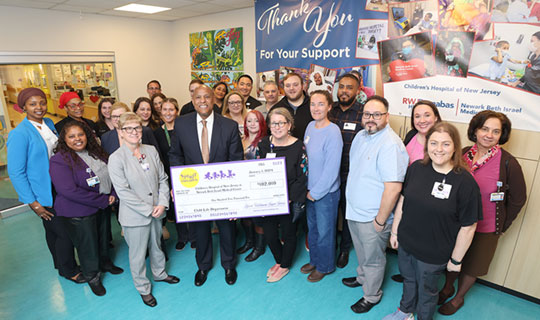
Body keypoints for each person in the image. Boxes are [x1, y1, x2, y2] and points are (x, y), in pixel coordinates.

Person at [383, 122, 482, 320]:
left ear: (455, 146)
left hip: (434, 252)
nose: (438, 149)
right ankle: (405, 310)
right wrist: (395, 232)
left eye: (445, 144)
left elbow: (469, 226)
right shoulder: (417, 169)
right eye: (434, 143)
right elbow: (403, 200)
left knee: (427, 291)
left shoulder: (465, 183)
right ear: (427, 145)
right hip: (407, 242)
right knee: (409, 280)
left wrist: (456, 260)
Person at [438, 111, 527, 316]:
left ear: (501, 135)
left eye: (496, 131)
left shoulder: (508, 163)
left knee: (473, 265)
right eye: (485, 129)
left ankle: (458, 298)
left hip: (486, 226)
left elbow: (518, 199)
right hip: (456, 222)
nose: (489, 135)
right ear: (475, 130)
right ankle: (447, 288)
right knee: (454, 258)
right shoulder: (463, 153)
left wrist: (503, 224)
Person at [169, 85, 243, 286]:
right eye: (198, 97)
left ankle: (229, 265)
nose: (203, 101)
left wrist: (234, 193)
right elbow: (175, 155)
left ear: (214, 100)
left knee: (227, 228)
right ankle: (203, 266)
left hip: (223, 190)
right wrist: (177, 184)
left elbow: (236, 161)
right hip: (194, 189)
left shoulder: (228, 126)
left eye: (207, 97)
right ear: (193, 100)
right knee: (200, 230)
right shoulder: (181, 124)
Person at [7, 88, 81, 283]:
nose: (39, 107)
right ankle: (70, 270)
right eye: (32, 104)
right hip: (42, 192)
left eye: (41, 102)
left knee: (53, 231)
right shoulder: (19, 134)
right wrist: (34, 203)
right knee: (64, 231)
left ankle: (60, 264)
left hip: (59, 185)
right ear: (23, 107)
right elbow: (16, 172)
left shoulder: (48, 123)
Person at [343, 96, 409, 314]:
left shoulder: (391, 145)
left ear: (387, 117)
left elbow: (393, 188)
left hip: (373, 217)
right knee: (361, 252)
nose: (370, 119)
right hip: (354, 210)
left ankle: (371, 295)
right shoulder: (362, 136)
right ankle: (362, 278)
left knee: (373, 259)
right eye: (367, 114)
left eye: (376, 115)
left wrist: (381, 220)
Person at [108, 112, 179, 307]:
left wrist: (163, 202)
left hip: (157, 209)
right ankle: (143, 288)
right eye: (128, 128)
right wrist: (149, 209)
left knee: (157, 246)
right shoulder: (116, 158)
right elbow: (123, 191)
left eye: (137, 128)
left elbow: (163, 179)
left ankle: (160, 273)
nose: (133, 132)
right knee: (138, 255)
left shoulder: (151, 150)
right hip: (136, 215)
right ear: (120, 132)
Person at [49, 121, 123, 297]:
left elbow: (111, 173)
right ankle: (93, 276)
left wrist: (112, 192)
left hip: (102, 206)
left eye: (80, 135)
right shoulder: (59, 159)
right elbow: (68, 190)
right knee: (87, 246)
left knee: (103, 238)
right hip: (79, 211)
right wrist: (103, 199)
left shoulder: (96, 152)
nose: (77, 139)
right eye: (72, 136)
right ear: (64, 139)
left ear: (87, 135)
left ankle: (105, 263)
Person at [391, 100, 442, 283]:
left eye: (427, 115)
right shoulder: (412, 135)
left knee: (422, 241)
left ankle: (419, 277)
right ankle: (408, 273)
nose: (422, 120)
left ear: (436, 117)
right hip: (406, 197)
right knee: (407, 236)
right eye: (417, 116)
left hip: (426, 202)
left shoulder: (440, 141)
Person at [258, 108, 308, 282]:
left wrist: (289, 197)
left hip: (289, 200)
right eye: (274, 123)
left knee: (289, 234)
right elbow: (256, 171)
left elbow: (303, 176)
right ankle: (279, 261)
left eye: (282, 123)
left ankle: (285, 265)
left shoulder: (298, 145)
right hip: (268, 200)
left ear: (289, 125)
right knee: (270, 235)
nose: (278, 127)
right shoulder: (263, 144)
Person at [301, 90, 343, 282]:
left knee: (326, 232)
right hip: (309, 191)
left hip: (325, 193)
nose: (316, 108)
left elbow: (331, 170)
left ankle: (325, 266)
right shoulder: (310, 126)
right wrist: (307, 190)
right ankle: (315, 259)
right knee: (313, 229)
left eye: (320, 104)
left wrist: (316, 193)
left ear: (329, 107)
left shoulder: (333, 132)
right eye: (312, 104)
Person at [328, 74, 363, 269]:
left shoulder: (363, 113)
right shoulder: (329, 110)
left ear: (357, 91)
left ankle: (344, 249)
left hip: (351, 174)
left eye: (349, 88)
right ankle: (330, 246)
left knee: (347, 213)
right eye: (341, 87)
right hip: (329, 173)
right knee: (330, 212)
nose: (344, 91)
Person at [153, 98, 196, 251]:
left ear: (177, 112)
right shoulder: (157, 133)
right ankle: (183, 237)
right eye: (165, 109)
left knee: (191, 204)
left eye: (171, 109)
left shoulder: (185, 128)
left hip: (187, 172)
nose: (168, 113)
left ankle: (195, 236)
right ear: (160, 112)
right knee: (176, 206)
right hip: (167, 173)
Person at [236, 110, 268, 262]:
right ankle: (249, 242)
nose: (252, 124)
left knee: (258, 218)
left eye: (256, 121)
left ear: (261, 122)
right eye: (249, 121)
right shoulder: (241, 139)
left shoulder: (267, 141)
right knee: (245, 217)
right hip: (243, 184)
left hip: (259, 186)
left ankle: (259, 247)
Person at [270, 73, 313, 140]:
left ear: (303, 86)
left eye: (295, 85)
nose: (291, 88)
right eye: (287, 85)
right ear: (283, 88)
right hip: (283, 149)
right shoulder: (276, 109)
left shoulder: (314, 106)